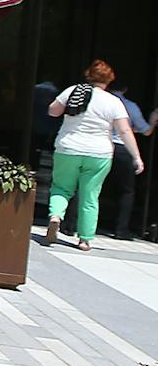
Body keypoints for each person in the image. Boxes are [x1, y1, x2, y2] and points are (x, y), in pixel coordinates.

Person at [46, 60, 143, 250]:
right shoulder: (113, 101)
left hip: (69, 148)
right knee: (90, 195)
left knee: (61, 188)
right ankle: (85, 239)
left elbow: (53, 111)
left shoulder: (73, 91)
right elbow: (124, 131)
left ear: (88, 75)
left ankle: (56, 216)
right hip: (99, 153)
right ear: (110, 80)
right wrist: (136, 156)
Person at [107, 82, 156, 240]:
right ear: (125, 88)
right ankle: (120, 230)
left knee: (89, 186)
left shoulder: (99, 100)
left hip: (100, 145)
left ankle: (70, 225)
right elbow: (146, 130)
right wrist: (153, 119)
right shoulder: (130, 106)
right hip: (122, 148)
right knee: (127, 191)